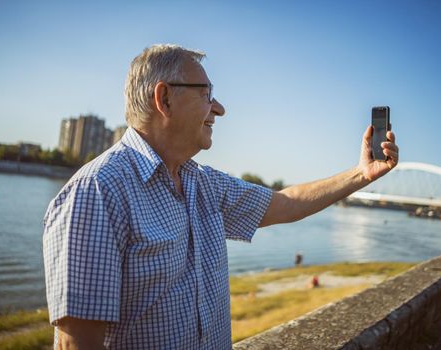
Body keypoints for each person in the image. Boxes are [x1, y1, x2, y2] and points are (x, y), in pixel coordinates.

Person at [43, 44, 399, 350]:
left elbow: (285, 202)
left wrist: (360, 174)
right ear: (164, 98)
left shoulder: (203, 183)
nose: (219, 108)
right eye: (206, 93)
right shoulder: (97, 193)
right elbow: (76, 342)